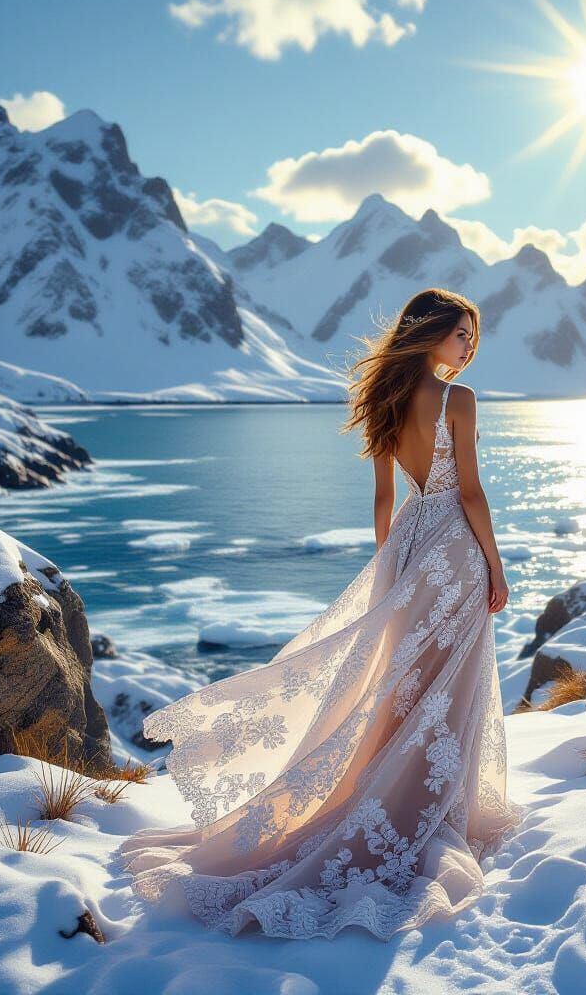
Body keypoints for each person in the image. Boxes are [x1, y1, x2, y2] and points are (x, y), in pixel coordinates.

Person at [117, 287, 524, 940]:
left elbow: (382, 502)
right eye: (460, 336)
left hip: (408, 550)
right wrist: (495, 568)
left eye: (474, 338)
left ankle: (390, 796)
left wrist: (390, 572)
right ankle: (428, 804)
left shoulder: (387, 402)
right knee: (447, 685)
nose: (469, 348)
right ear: (428, 336)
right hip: (454, 550)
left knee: (401, 687)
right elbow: (470, 491)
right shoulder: (458, 400)